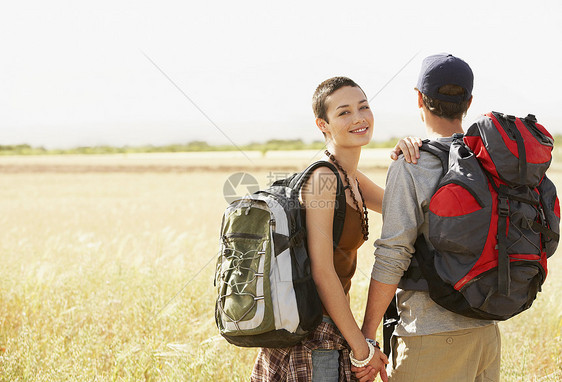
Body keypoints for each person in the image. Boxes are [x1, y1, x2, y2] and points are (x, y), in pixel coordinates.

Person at [250, 76, 421, 381]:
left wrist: (408, 157)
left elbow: (408, 209)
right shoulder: (323, 179)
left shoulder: (351, 178)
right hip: (311, 337)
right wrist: (363, 349)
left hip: (334, 331)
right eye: (343, 112)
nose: (358, 118)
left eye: (364, 107)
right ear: (323, 124)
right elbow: (322, 271)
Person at [357, 54, 501, 382]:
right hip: (486, 334)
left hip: (430, 338)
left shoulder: (413, 163)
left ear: (419, 98)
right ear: (469, 101)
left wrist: (366, 337)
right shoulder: (491, 161)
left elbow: (393, 254)